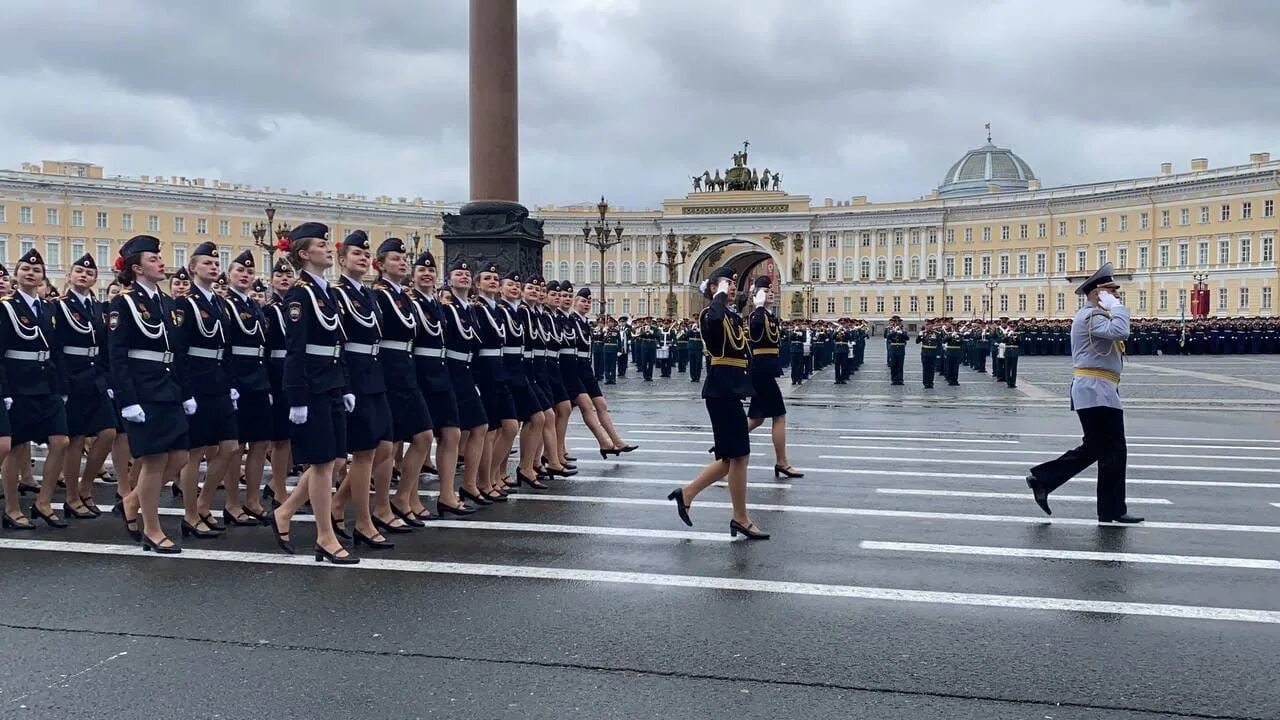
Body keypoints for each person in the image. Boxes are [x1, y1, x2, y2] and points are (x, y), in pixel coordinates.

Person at [269, 222, 360, 564]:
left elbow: (339, 344)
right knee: (322, 464)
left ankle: (285, 511)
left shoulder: (328, 292)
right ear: (305, 254)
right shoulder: (299, 294)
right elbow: (296, 349)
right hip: (313, 387)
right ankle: (324, 536)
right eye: (321, 245)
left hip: (332, 382)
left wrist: (346, 385)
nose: (328, 248)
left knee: (336, 460)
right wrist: (297, 398)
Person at [1026, 263, 1143, 524]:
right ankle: (1108, 508)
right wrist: (1117, 308)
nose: (1117, 295)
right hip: (1095, 389)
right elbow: (1120, 331)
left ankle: (1047, 481)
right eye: (1112, 291)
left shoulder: (1095, 315)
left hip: (1100, 389)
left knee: (1103, 448)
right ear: (1098, 293)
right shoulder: (1092, 316)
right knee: (1111, 448)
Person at [667, 267, 768, 540]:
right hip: (721, 390)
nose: (732, 286)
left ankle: (688, 493)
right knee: (738, 456)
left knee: (732, 458)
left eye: (734, 283)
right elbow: (713, 322)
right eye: (726, 283)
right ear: (713, 288)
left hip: (731, 389)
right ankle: (740, 517)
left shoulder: (732, 316)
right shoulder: (710, 314)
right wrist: (719, 296)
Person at [109, 235, 192, 552]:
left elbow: (177, 352)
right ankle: (152, 529)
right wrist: (127, 401)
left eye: (159, 257)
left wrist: (186, 392)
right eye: (153, 259)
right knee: (154, 461)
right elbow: (117, 357)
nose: (160, 262)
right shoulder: (124, 303)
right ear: (137, 268)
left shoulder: (167, 303)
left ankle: (132, 502)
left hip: (168, 387)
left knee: (181, 456)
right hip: (143, 391)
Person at [329, 232, 401, 546]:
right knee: (364, 453)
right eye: (355, 253)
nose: (361, 258)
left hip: (375, 375)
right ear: (342, 259)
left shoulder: (369, 295)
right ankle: (363, 521)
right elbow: (338, 343)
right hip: (355, 377)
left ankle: (336, 503)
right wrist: (344, 384)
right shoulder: (336, 293)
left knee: (385, 448)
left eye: (364, 253)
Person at [0, 249, 72, 529]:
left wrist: (61, 385)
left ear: (43, 276)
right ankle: (12, 507)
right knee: (17, 448)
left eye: (37, 270)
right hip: (19, 383)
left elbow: (56, 349)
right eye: (25, 270)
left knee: (61, 441)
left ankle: (43, 501)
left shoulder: (47, 308)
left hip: (47, 382)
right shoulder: (6, 307)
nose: (31, 274)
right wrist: (4, 391)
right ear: (16, 275)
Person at [173, 241, 240, 539]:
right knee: (194, 453)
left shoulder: (221, 304)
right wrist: (185, 391)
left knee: (229, 447)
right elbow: (180, 350)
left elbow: (225, 348)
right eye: (207, 264)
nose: (213, 268)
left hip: (219, 381)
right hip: (197, 382)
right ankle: (190, 514)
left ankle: (203, 503)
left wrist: (231, 383)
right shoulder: (185, 304)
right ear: (192, 270)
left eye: (216, 264)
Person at [55, 253, 117, 519]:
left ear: (95, 278)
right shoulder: (59, 307)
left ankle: (86, 485)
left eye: (89, 273)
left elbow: (105, 346)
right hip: (73, 377)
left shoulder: (97, 307)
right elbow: (55, 348)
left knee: (108, 433)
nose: (84, 275)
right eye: (79, 271)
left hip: (95, 379)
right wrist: (62, 383)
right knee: (76, 440)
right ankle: (71, 497)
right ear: (70, 275)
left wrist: (106, 377)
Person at [221, 249, 272, 523]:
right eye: (240, 271)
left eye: (250, 272)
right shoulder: (225, 305)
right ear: (229, 275)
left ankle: (252, 499)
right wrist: (229, 383)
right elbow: (225, 347)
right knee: (237, 446)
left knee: (260, 443)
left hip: (258, 378)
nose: (245, 276)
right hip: (238, 378)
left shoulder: (255, 306)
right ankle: (231, 502)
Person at [744, 277, 800, 480]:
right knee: (779, 415)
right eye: (766, 291)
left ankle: (726, 445)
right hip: (761, 371)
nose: (771, 293)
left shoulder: (770, 316)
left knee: (757, 419)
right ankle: (781, 462)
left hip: (766, 370)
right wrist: (757, 306)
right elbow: (756, 335)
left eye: (771, 291)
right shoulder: (756, 316)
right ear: (757, 295)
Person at [885, 317, 908, 385]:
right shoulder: (891, 330)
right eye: (896, 323)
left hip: (901, 349)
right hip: (893, 349)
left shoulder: (903, 331)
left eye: (899, 323)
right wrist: (894, 331)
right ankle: (894, 380)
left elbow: (907, 338)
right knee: (893, 365)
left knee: (900, 365)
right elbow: (888, 337)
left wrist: (901, 333)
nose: (897, 324)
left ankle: (900, 380)